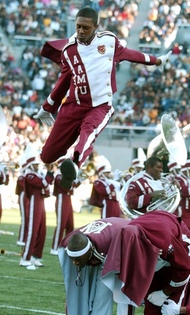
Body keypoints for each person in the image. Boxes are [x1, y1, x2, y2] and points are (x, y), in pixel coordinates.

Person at [33, 7, 172, 189]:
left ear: (96, 27)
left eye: (86, 28)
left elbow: (131, 54)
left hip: (100, 105)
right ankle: (65, 165)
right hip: (74, 105)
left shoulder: (108, 41)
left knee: (88, 132)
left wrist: (157, 61)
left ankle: (74, 166)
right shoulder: (68, 50)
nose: (81, 31)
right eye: (78, 27)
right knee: (47, 156)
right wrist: (47, 106)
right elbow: (63, 81)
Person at [57, 217, 134, 315]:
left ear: (90, 251)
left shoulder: (113, 243)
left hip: (128, 251)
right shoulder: (72, 240)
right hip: (109, 249)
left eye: (79, 260)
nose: (75, 264)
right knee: (99, 301)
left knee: (124, 303)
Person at [19, 144, 54, 269]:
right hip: (34, 201)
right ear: (30, 164)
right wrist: (49, 173)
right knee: (32, 231)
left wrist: (49, 174)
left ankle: (35, 257)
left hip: (41, 201)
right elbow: (43, 183)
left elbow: (47, 184)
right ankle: (25, 258)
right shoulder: (29, 174)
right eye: (35, 164)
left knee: (41, 231)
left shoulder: (37, 173)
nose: (38, 166)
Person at [50, 155, 82, 255]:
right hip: (61, 199)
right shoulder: (59, 176)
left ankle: (66, 246)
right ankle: (55, 247)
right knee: (61, 224)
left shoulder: (66, 176)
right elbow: (67, 187)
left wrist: (81, 178)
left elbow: (74, 185)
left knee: (70, 225)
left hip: (68, 199)